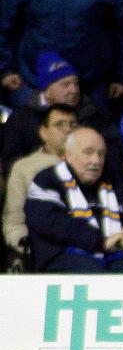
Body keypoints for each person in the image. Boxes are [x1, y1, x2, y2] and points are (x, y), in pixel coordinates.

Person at [24, 127, 123, 272]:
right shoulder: (47, 181)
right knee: (94, 275)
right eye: (88, 152)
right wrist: (102, 241)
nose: (96, 160)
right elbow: (51, 223)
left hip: (116, 255)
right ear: (68, 155)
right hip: (64, 254)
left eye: (101, 154)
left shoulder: (116, 182)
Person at [2, 52, 122, 172]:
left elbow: (115, 152)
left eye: (76, 83)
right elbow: (11, 163)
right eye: (65, 85)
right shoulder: (21, 119)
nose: (74, 90)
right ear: (46, 90)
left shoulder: (94, 113)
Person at [3, 104, 77, 270]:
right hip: (41, 248)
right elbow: (14, 219)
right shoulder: (24, 167)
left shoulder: (89, 165)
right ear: (44, 132)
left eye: (73, 125)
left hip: (84, 245)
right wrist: (22, 246)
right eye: (60, 125)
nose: (68, 130)